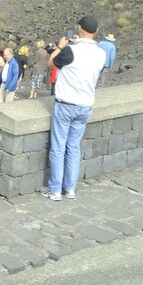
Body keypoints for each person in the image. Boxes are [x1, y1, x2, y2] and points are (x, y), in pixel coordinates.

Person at [42, 16, 107, 201]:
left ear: (79, 28)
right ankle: (70, 189)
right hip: (85, 105)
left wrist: (61, 46)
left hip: (66, 105)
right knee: (73, 148)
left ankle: (55, 190)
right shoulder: (101, 54)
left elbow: (50, 64)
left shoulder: (70, 50)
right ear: (96, 31)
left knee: (58, 147)